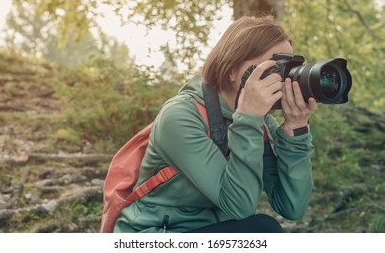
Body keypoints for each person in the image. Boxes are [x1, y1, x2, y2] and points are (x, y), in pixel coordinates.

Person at [113, 14, 318, 233]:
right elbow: (241, 208)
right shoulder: (179, 116)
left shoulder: (261, 122)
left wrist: (295, 129)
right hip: (155, 233)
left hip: (213, 233)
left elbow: (292, 207)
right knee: (263, 229)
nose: (281, 80)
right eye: (273, 67)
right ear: (232, 70)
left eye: (287, 68)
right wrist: (248, 119)